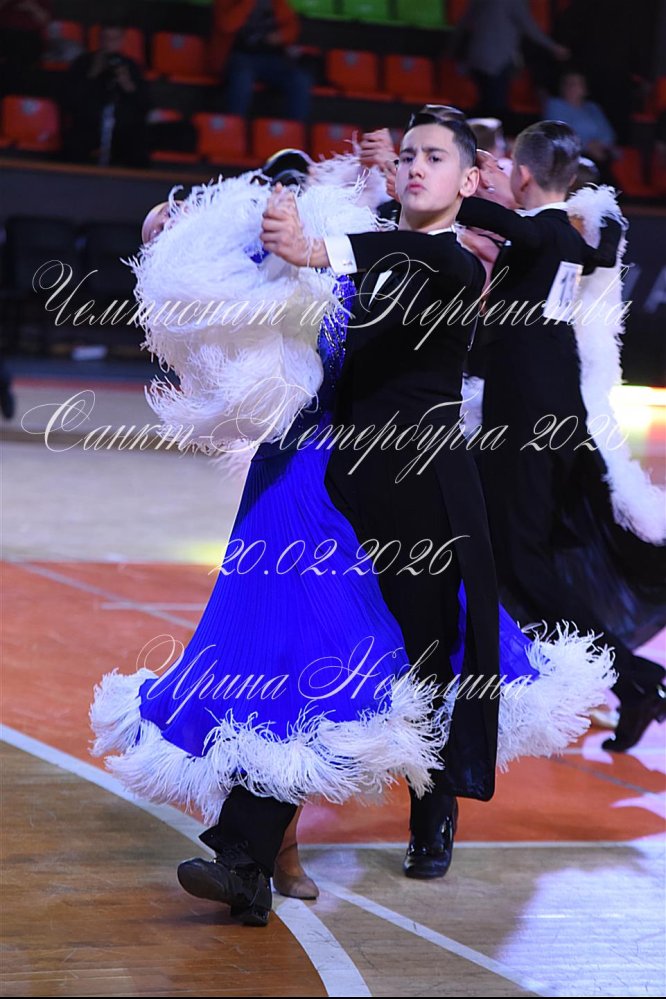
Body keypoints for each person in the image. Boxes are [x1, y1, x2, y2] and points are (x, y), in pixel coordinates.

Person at [90, 143, 614, 928]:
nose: (412, 167)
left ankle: (426, 813)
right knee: (310, 659)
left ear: (469, 181)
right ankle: (251, 856)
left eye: (432, 157)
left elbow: (396, 248)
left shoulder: (442, 257)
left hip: (422, 497)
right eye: (407, 155)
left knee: (426, 663)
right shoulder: (349, 238)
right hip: (326, 485)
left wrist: (324, 244)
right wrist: (181, 223)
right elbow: (265, 245)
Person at [456, 121, 666, 754]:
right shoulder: (572, 240)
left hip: (526, 424)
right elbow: (605, 245)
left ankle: (632, 679)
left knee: (519, 565)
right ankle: (604, 681)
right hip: (550, 416)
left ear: (522, 175)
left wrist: (466, 176)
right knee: (514, 560)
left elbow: (479, 214)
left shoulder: (541, 231)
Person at [450, 0, 569, 118]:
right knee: (496, 108)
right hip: (497, 61)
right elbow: (529, 27)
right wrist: (554, 47)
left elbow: (464, 22)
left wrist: (451, 48)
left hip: (477, 59)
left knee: (485, 104)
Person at [61, 24, 149, 168]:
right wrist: (92, 74)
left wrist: (127, 83)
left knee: (138, 141)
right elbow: (70, 99)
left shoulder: (131, 66)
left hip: (121, 126)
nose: (109, 43)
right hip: (88, 122)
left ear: (121, 41)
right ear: (100, 40)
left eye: (114, 39)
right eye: (106, 38)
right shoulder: (83, 63)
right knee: (74, 142)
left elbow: (144, 103)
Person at [210, 0, 313, 121]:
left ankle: (294, 130)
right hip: (239, 55)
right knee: (242, 77)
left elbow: (293, 26)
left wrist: (281, 36)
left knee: (300, 80)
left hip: (271, 58)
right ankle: (234, 126)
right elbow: (227, 25)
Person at [544, 70, 618, 185]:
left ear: (585, 89)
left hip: (600, 154)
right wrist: (587, 146)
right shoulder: (555, 105)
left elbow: (608, 133)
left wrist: (599, 145)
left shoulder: (593, 108)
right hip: (569, 156)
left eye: (575, 84)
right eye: (567, 83)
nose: (570, 87)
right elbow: (561, 133)